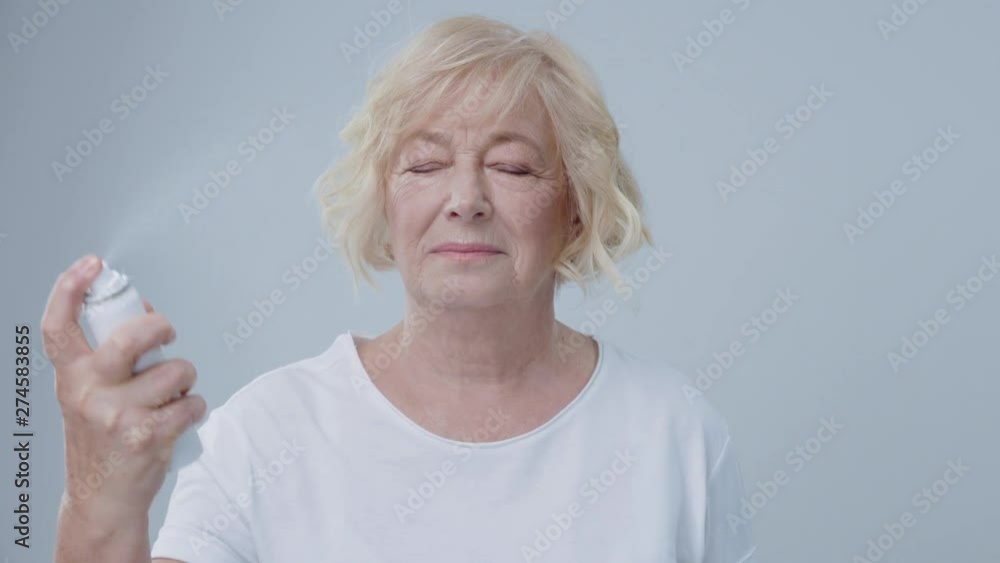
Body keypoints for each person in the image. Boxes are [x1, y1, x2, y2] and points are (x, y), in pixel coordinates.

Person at [46, 15, 759, 563]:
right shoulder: (264, 437)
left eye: (512, 167)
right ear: (384, 202)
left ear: (576, 208)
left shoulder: (676, 435)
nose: (465, 200)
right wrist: (96, 504)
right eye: (424, 165)